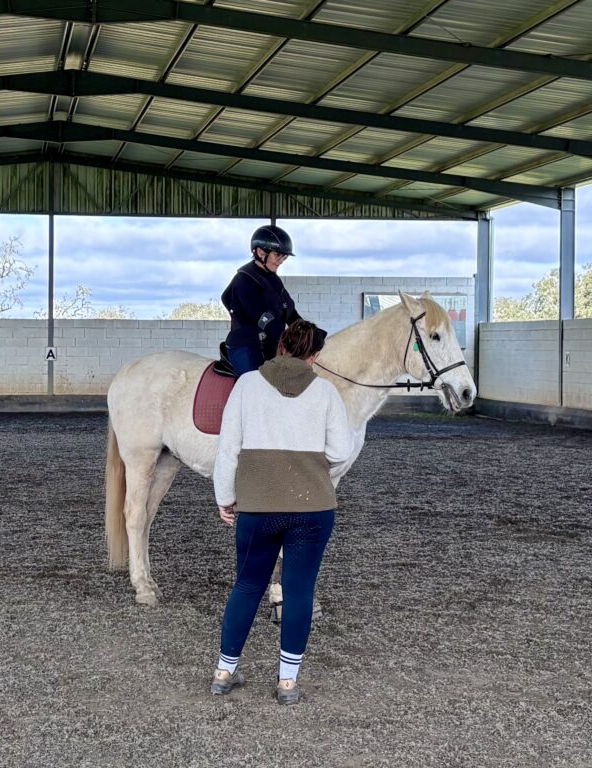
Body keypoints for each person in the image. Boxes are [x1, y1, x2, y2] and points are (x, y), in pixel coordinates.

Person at [210, 320, 349, 705]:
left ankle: (224, 672)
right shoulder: (326, 392)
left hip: (257, 508)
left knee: (248, 585)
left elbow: (227, 448)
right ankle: (287, 682)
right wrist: (316, 475)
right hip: (313, 508)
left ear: (281, 346)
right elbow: (341, 451)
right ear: (315, 355)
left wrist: (226, 496)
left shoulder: (247, 385)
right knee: (299, 589)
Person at [220, 224, 302, 376]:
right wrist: (287, 341)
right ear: (260, 252)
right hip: (246, 346)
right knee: (255, 384)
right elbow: (262, 318)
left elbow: (290, 312)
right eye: (277, 255)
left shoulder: (274, 280)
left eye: (284, 257)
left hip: (270, 345)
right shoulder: (244, 279)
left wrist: (308, 333)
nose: (281, 260)